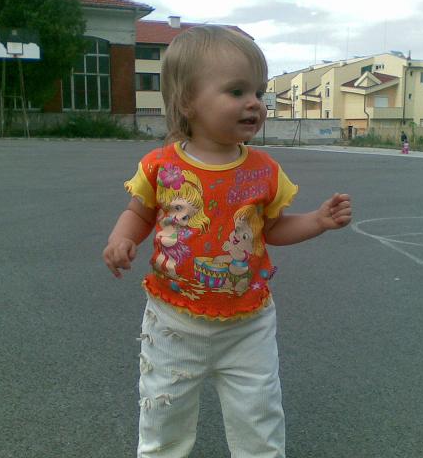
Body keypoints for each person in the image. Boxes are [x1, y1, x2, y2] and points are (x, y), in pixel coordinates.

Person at [102, 25, 352, 458]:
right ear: (187, 102)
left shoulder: (264, 171)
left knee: (259, 417)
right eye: (237, 91)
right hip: (173, 322)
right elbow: (139, 213)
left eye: (258, 92)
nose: (254, 102)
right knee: (164, 415)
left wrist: (316, 221)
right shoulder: (161, 166)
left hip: (247, 324)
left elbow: (272, 229)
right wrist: (121, 239)